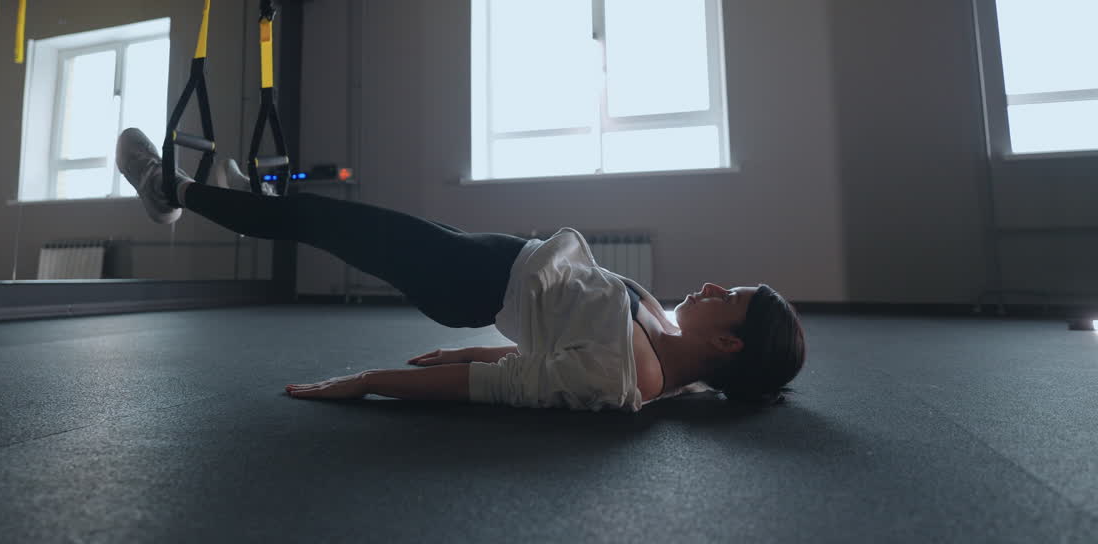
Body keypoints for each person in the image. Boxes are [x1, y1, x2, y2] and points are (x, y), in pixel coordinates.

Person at [117, 128, 806, 412]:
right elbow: (545, 345)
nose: (716, 288)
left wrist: (368, 382)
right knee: (326, 219)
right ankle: (247, 197)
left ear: (727, 343)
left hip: (466, 278)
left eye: (730, 299)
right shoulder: (669, 353)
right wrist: (464, 346)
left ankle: (170, 192)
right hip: (491, 256)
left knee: (321, 222)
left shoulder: (633, 374)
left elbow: (502, 382)